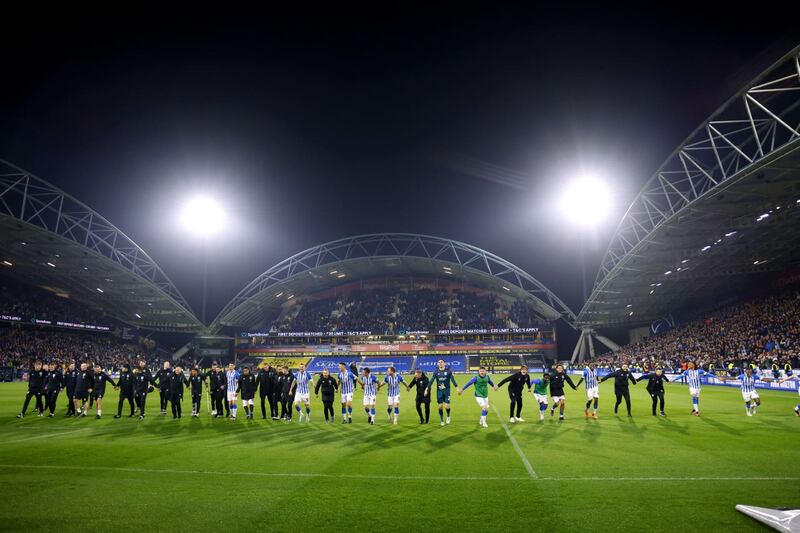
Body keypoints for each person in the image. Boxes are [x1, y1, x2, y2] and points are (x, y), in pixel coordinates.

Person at [424, 359, 458, 426]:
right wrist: (427, 388)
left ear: (444, 363)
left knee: (447, 406)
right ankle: (442, 420)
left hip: (447, 391)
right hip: (439, 391)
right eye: (439, 362)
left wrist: (457, 388)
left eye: (441, 362)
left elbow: (452, 380)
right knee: (440, 406)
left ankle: (448, 416)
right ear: (437, 364)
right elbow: (431, 381)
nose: (440, 363)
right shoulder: (436, 372)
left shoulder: (448, 371)